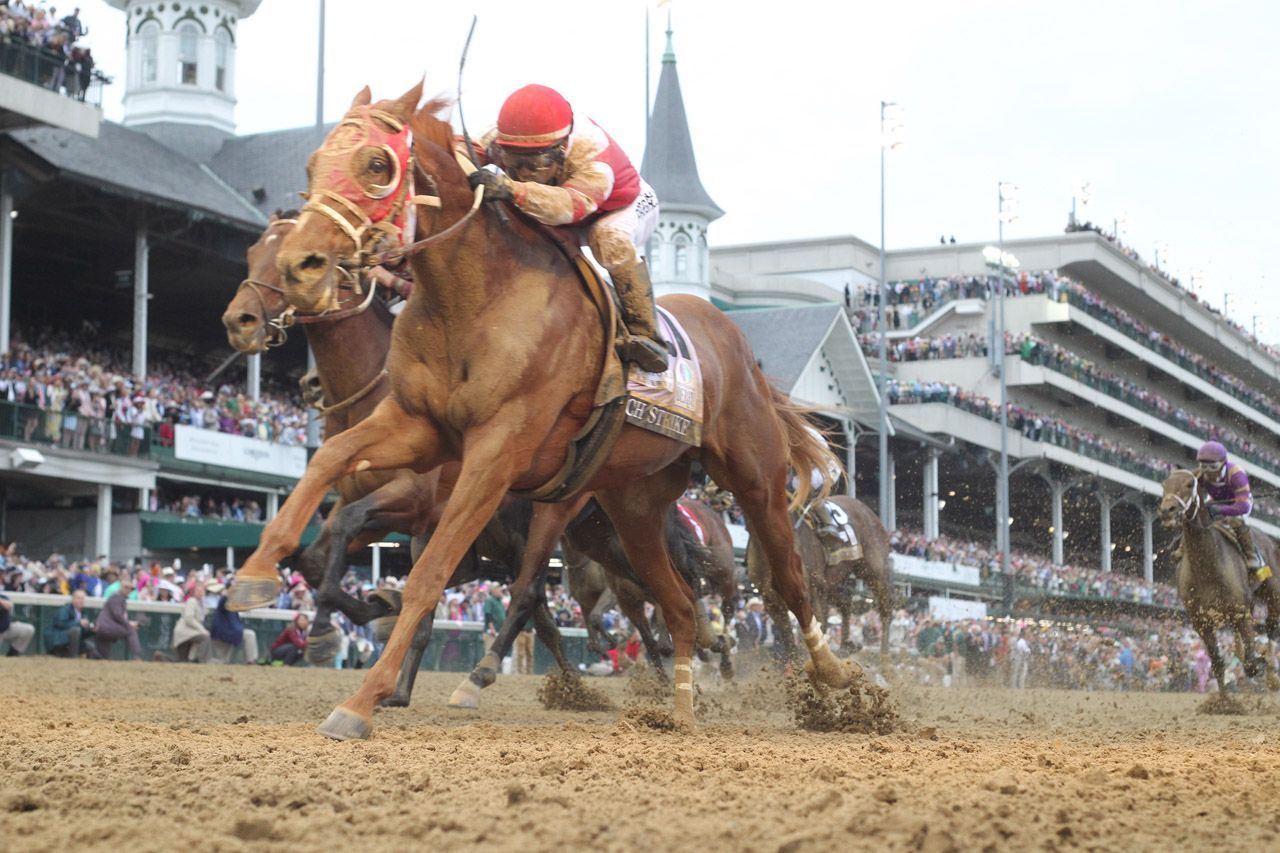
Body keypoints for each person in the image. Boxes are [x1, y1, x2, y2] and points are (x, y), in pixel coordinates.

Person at [466, 84, 667, 373]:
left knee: (608, 239)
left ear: (561, 150)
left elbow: (567, 207)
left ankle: (647, 334)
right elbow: (461, 149)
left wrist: (512, 188)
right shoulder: (503, 137)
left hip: (618, 206)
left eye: (534, 164)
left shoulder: (594, 156)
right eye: (514, 163)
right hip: (563, 207)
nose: (524, 172)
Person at [1196, 440, 1269, 580]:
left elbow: (1243, 506)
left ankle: (1253, 557)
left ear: (1222, 463)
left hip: (1240, 502)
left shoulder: (1236, 474)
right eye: (1203, 466)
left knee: (1235, 520)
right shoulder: (1201, 475)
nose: (1207, 471)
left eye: (1212, 466)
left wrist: (1220, 510)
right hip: (1217, 501)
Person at [92, 573, 141, 660]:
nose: (128, 590)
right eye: (126, 587)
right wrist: (129, 624)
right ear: (121, 587)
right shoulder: (117, 597)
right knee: (131, 631)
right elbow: (117, 615)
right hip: (106, 628)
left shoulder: (118, 597)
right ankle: (136, 657)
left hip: (102, 628)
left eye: (130, 588)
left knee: (104, 657)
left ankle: (92, 655)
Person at [209, 583, 259, 664]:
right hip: (223, 634)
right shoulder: (224, 600)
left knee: (249, 635)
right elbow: (223, 603)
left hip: (233, 633)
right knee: (221, 661)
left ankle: (251, 660)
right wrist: (227, 595)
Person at [44, 588, 97, 658]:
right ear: (73, 600)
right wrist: (78, 623)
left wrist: (91, 631)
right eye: (78, 598)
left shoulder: (83, 613)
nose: (81, 601)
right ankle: (72, 657)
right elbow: (60, 624)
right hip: (59, 640)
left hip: (72, 641)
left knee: (91, 646)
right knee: (75, 630)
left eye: (82, 599)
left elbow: (82, 633)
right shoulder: (65, 610)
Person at [172, 578, 211, 662]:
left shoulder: (201, 605)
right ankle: (201, 660)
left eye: (202, 590)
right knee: (205, 637)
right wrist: (202, 630)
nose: (200, 593)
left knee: (181, 661)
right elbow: (189, 619)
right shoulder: (192, 601)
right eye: (198, 590)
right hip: (184, 633)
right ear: (193, 592)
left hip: (189, 633)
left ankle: (160, 657)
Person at [0, 588, 35, 656]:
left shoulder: (3, 597)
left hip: (6, 629)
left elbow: (9, 605)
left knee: (29, 629)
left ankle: (13, 652)